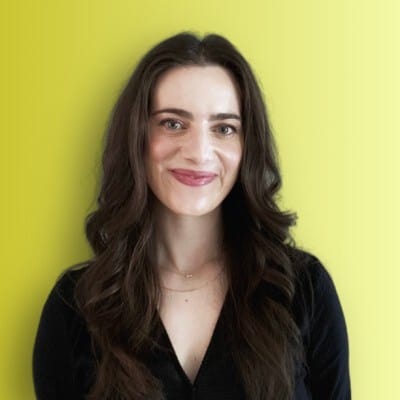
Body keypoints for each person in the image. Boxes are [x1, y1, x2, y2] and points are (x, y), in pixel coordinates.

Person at [32, 32, 351, 400]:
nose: (199, 152)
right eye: (172, 123)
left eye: (224, 128)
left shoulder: (303, 290)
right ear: (136, 136)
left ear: (247, 147)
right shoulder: (75, 306)